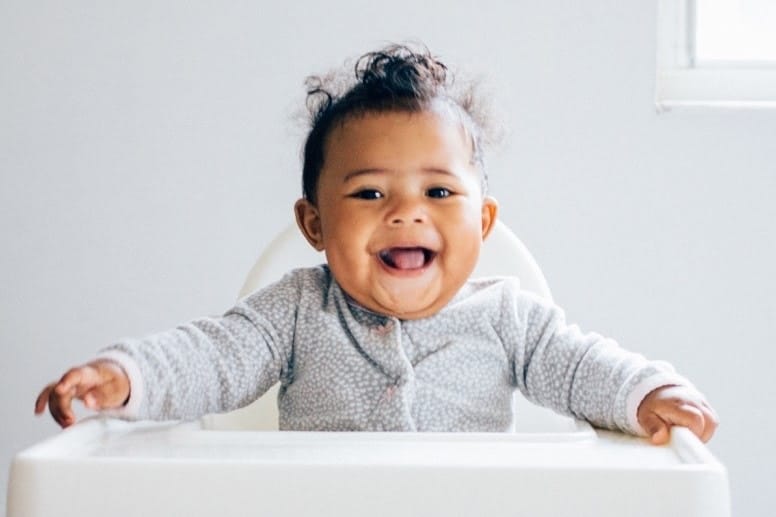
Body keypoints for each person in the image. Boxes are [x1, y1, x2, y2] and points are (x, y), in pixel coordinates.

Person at [35, 44, 717, 444]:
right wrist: (129, 376)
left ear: (482, 223)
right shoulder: (297, 310)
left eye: (439, 193)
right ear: (315, 226)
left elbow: (581, 367)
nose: (404, 214)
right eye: (368, 193)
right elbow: (211, 356)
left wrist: (646, 392)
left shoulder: (512, 319)